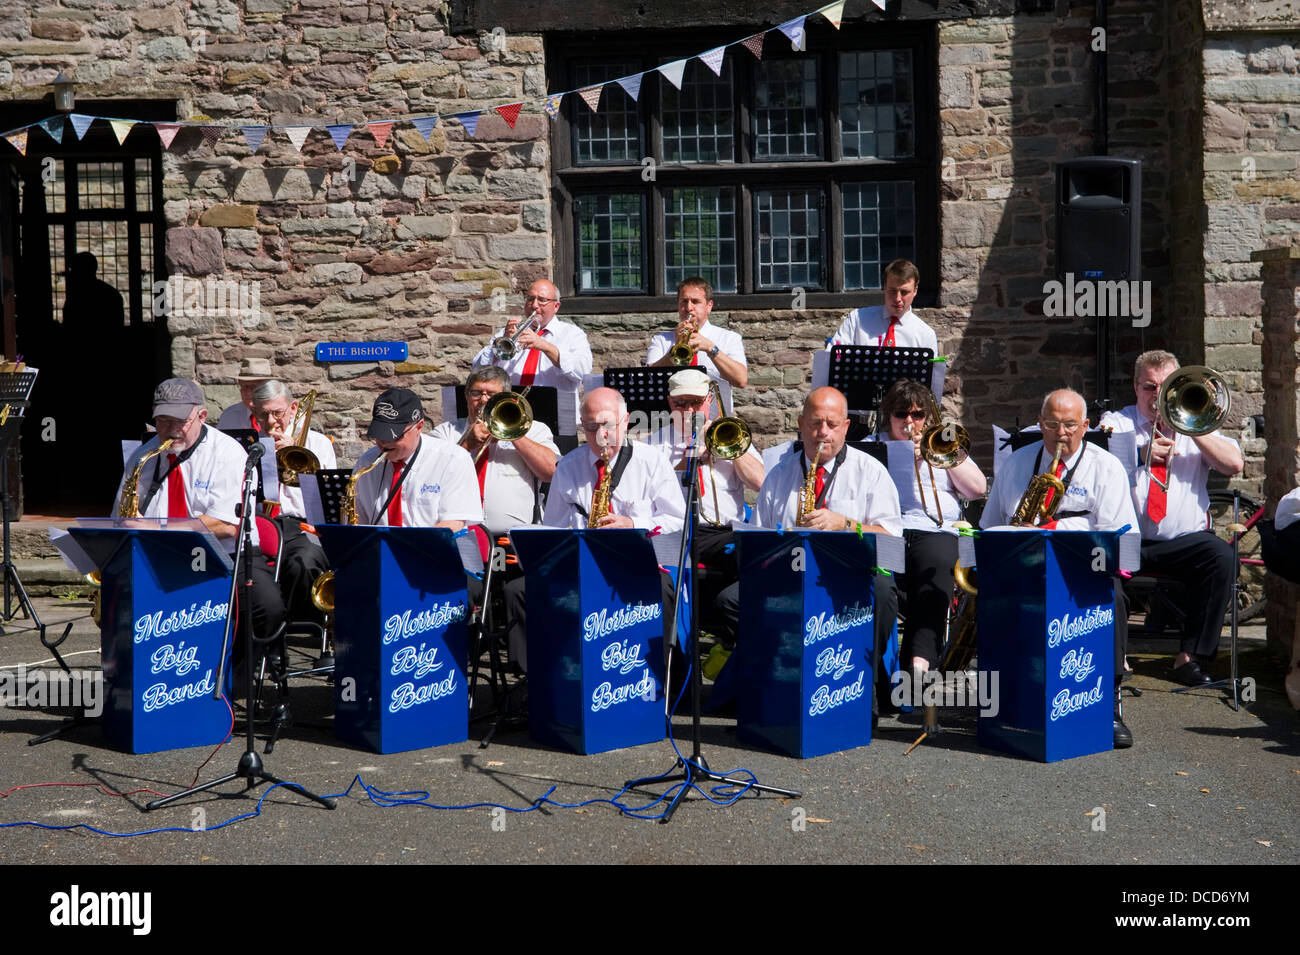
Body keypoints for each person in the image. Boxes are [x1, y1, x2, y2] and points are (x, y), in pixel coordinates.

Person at [715, 387, 902, 701]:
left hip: (850, 575)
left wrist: (846, 524)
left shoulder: (871, 473)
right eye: (815, 423)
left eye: (832, 424)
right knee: (729, 601)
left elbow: (893, 542)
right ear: (801, 424)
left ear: (845, 427)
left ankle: (859, 680)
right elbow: (757, 539)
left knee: (883, 594)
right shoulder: (778, 475)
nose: (822, 432)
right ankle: (781, 675)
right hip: (789, 572)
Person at [981, 388, 1139, 747]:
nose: (1061, 433)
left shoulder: (1106, 467)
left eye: (1070, 425)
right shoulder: (1016, 463)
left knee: (1114, 599)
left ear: (1085, 426)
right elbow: (989, 528)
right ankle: (1004, 702)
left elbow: (1120, 539)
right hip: (1024, 568)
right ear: (1040, 424)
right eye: (1052, 424)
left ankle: (1109, 704)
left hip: (1081, 571)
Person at [504, 387, 685, 671]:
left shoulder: (652, 462)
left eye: (607, 425)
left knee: (660, 589)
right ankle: (544, 684)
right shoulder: (568, 466)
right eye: (591, 427)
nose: (601, 435)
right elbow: (553, 528)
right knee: (518, 591)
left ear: (625, 421)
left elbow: (678, 520)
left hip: (635, 565)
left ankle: (657, 683)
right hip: (581, 565)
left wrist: (633, 524)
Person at [114, 378, 284, 666]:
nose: (169, 431)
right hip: (162, 556)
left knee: (268, 608)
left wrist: (157, 528)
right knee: (118, 602)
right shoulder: (144, 455)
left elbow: (224, 524)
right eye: (162, 421)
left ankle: (236, 675)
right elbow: (121, 515)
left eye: (179, 421)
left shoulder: (227, 453)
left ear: (201, 416)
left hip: (225, 556)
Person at [1099, 351, 1243, 687]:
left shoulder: (1199, 422)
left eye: (1167, 387)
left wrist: (1191, 426)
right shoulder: (1118, 422)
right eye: (1151, 387)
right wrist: (1139, 455)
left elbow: (1234, 464)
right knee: (1095, 563)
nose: (1158, 396)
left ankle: (1190, 658)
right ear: (1136, 388)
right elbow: (1093, 457)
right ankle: (1114, 655)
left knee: (1222, 558)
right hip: (1128, 538)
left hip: (1183, 543)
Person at [872, 380, 986, 675]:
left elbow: (977, 488)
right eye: (901, 414)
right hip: (889, 530)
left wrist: (943, 458)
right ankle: (879, 668)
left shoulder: (944, 440)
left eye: (918, 414)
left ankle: (919, 663)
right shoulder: (875, 445)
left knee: (934, 569)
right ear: (889, 416)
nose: (910, 421)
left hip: (935, 529)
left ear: (929, 417)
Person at [430, 367, 559, 536]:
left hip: (516, 538)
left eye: (491, 394)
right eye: (476, 393)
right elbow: (430, 476)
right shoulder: (446, 432)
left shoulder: (534, 430)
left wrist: (513, 432)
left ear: (505, 396)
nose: (483, 400)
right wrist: (466, 445)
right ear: (466, 396)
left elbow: (552, 472)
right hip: (460, 535)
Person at [251, 380, 337, 626]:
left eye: (277, 413)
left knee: (304, 562)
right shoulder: (249, 444)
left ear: (293, 408)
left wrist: (295, 456)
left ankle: (298, 629)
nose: (270, 423)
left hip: (303, 525)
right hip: (261, 524)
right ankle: (266, 627)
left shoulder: (317, 443)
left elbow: (323, 499)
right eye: (262, 414)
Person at [472, 279, 592, 453]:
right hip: (511, 419)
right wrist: (497, 347)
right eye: (530, 299)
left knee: (556, 475)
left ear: (556, 306)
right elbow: (477, 371)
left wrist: (544, 346)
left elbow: (582, 372)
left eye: (542, 300)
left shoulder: (572, 334)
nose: (534, 305)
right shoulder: (507, 334)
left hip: (557, 423)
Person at [352, 387, 483, 531]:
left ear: (419, 427)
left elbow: (454, 524)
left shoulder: (454, 459)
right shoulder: (366, 463)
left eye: (393, 436)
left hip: (433, 550)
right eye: (379, 434)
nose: (384, 442)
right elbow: (358, 524)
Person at [647, 277, 748, 389]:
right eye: (684, 301)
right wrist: (675, 350)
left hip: (712, 407)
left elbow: (741, 380)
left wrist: (712, 349)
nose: (689, 308)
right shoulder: (660, 340)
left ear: (709, 306)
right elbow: (649, 380)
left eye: (695, 301)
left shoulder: (729, 338)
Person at [831, 258, 938, 355]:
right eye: (892, 291)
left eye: (904, 292)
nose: (897, 299)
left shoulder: (925, 335)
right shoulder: (856, 320)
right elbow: (832, 357)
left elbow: (932, 374)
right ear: (884, 287)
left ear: (915, 291)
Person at [216, 358, 274, 433]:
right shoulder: (230, 415)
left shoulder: (282, 414)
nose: (248, 392)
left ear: (268, 387)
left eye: (254, 387)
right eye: (244, 386)